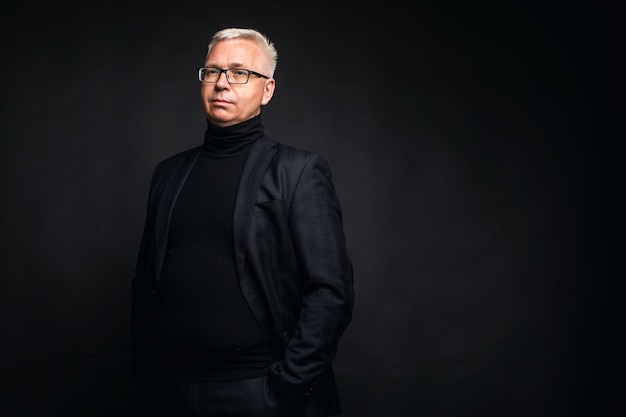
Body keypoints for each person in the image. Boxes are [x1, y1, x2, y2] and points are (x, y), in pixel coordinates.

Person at [130, 27, 354, 417]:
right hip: (168, 390)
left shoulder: (298, 171)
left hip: (257, 391)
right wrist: (146, 374)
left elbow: (331, 291)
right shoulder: (169, 173)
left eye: (239, 72)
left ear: (266, 90)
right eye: (212, 71)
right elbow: (146, 278)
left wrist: (286, 386)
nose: (221, 84)